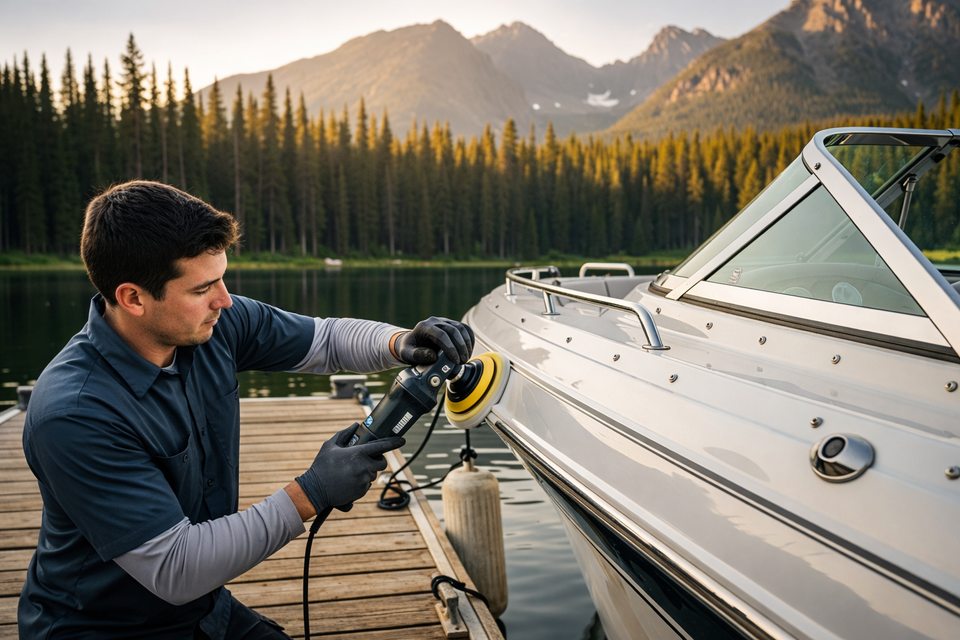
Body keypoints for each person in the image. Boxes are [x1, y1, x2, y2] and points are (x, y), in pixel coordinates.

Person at [18, 181, 475, 639]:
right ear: (133, 298)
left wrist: (401, 342)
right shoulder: (75, 413)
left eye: (221, 277)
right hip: (101, 627)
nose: (225, 300)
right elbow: (175, 567)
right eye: (202, 288)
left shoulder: (214, 323)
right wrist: (310, 493)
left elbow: (325, 340)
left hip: (204, 609)